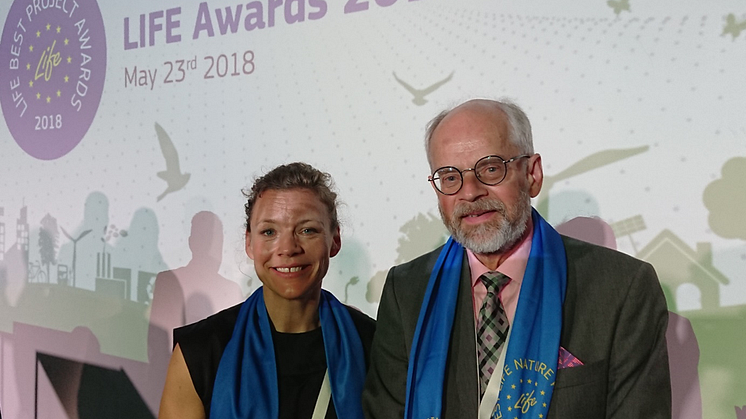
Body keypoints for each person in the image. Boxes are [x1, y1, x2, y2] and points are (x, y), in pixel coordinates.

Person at [362, 99, 671, 419]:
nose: (470, 192)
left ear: (532, 174)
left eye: (491, 168)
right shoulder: (407, 290)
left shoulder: (621, 288)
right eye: (450, 177)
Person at [159, 162, 375, 419]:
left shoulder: (373, 345)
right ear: (250, 243)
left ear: (334, 240)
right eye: (269, 231)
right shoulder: (200, 351)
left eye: (307, 230)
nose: (287, 248)